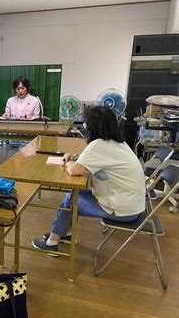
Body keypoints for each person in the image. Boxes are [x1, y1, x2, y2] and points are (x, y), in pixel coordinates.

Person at [32, 107, 146, 255]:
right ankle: (63, 233)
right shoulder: (118, 143)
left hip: (122, 210)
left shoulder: (99, 145)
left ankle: (52, 243)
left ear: (92, 126)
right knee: (74, 193)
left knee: (71, 198)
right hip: (132, 205)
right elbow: (96, 160)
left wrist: (69, 162)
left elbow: (74, 171)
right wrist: (75, 158)